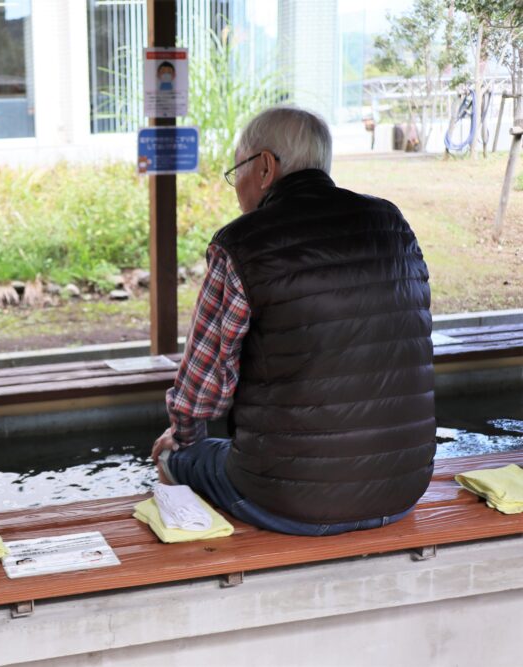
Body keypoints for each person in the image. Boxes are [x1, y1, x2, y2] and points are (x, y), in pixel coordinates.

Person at [152, 106, 435, 536]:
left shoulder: (242, 244)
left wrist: (182, 439)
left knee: (176, 457)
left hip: (284, 503)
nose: (237, 187)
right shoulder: (392, 224)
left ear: (265, 167)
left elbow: (201, 390)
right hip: (402, 490)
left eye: (238, 171)